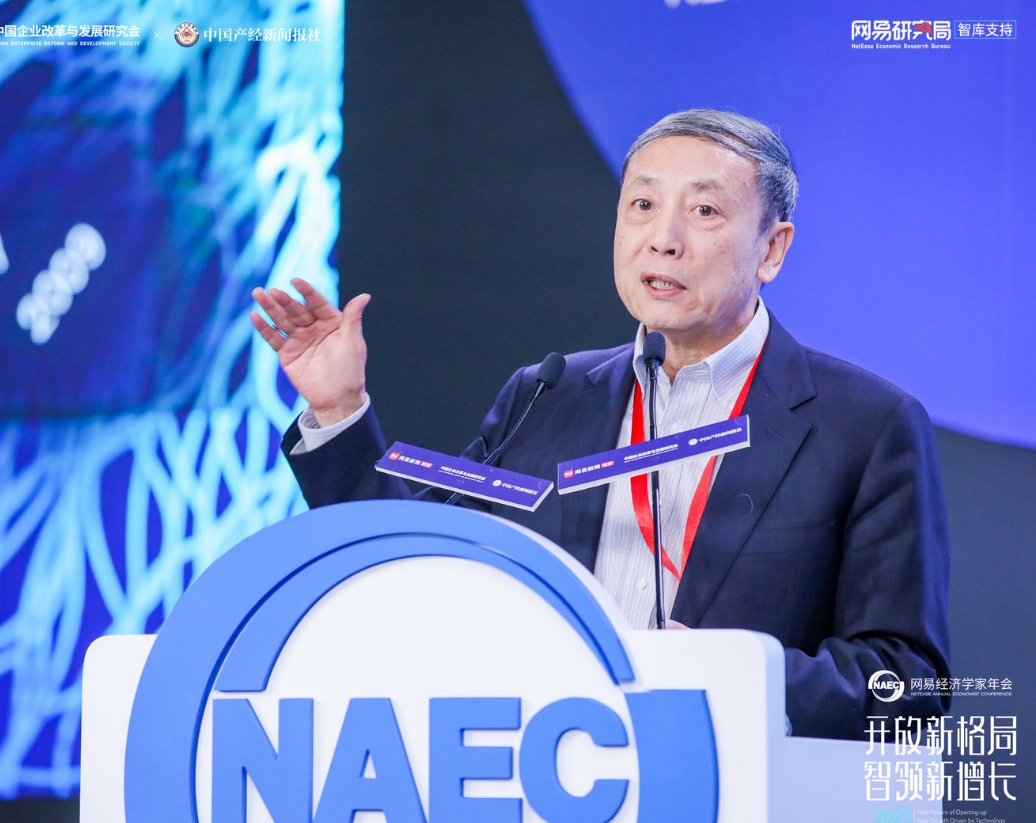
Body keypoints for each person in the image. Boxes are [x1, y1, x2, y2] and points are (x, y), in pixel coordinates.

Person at [250, 109, 950, 741]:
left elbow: (908, 682)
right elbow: (413, 570)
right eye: (642, 205)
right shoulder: (546, 396)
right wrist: (339, 410)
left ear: (772, 248)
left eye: (704, 210)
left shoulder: (865, 426)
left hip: (734, 791)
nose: (663, 240)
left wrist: (736, 677)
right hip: (546, 783)